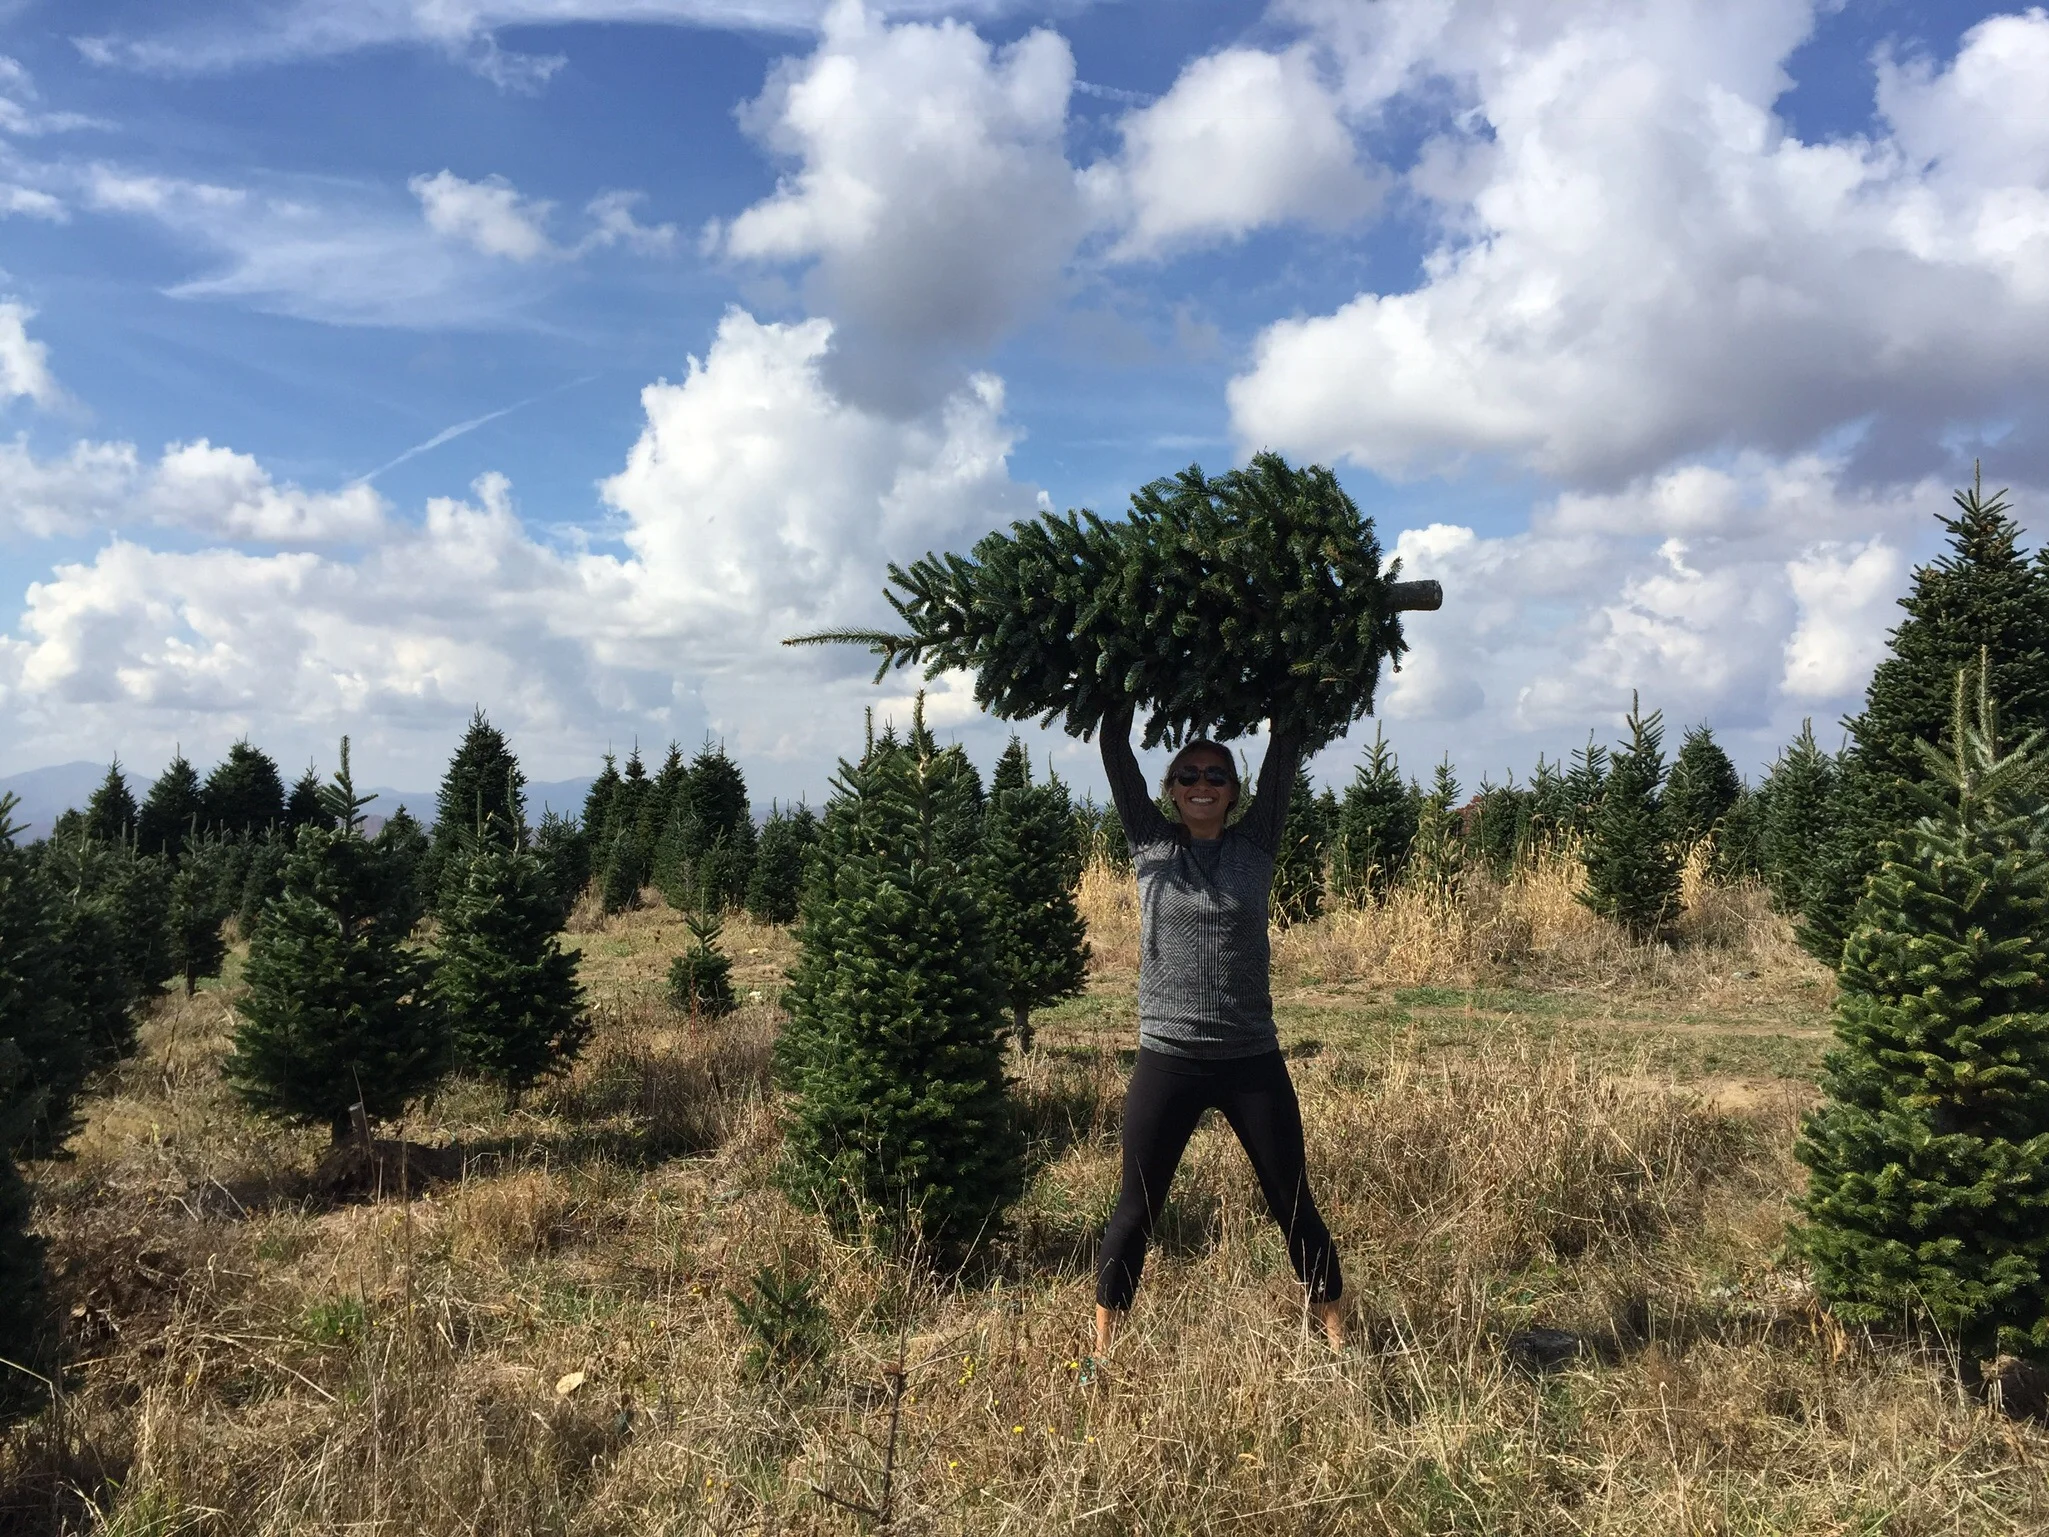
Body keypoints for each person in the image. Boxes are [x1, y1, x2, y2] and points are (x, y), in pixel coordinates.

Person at [1092, 702, 1345, 1360]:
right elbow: (1114, 747)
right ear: (1170, 791)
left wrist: (1285, 693)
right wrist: (1116, 685)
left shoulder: (1255, 847)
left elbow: (1285, 749)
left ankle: (1340, 1344)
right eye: (1188, 775)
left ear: (1235, 793)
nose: (1201, 784)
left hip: (1250, 1060)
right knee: (1135, 1209)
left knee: (1293, 1203)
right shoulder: (1151, 845)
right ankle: (1100, 1355)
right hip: (1167, 1060)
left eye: (1215, 775)